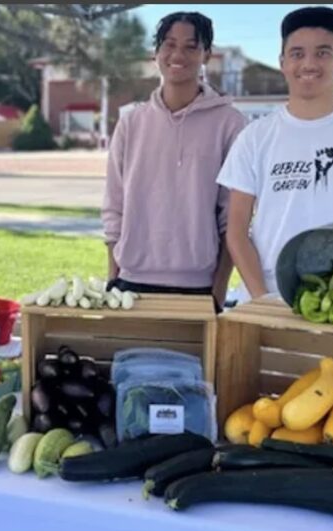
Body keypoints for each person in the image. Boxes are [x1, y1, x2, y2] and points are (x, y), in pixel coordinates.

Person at [218, 6, 333, 302]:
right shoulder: (254, 137)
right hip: (264, 299)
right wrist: (263, 300)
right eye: (297, 53)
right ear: (282, 62)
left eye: (322, 53)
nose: (308, 63)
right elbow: (237, 232)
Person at [102, 11, 246, 310]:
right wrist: (113, 278)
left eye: (191, 46)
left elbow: (232, 217)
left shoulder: (230, 124)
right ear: (156, 53)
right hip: (130, 286)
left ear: (206, 54)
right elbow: (114, 206)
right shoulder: (131, 123)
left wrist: (217, 293)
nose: (178, 54)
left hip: (199, 288)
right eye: (169, 44)